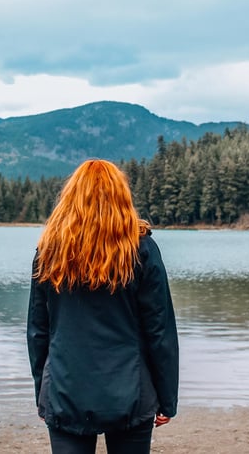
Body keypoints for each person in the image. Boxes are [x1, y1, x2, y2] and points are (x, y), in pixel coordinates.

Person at [27, 159, 179, 454]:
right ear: (121, 197)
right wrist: (167, 398)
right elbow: (159, 331)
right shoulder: (142, 249)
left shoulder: (49, 251)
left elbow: (38, 331)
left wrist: (43, 393)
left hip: (64, 390)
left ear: (71, 198)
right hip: (131, 392)